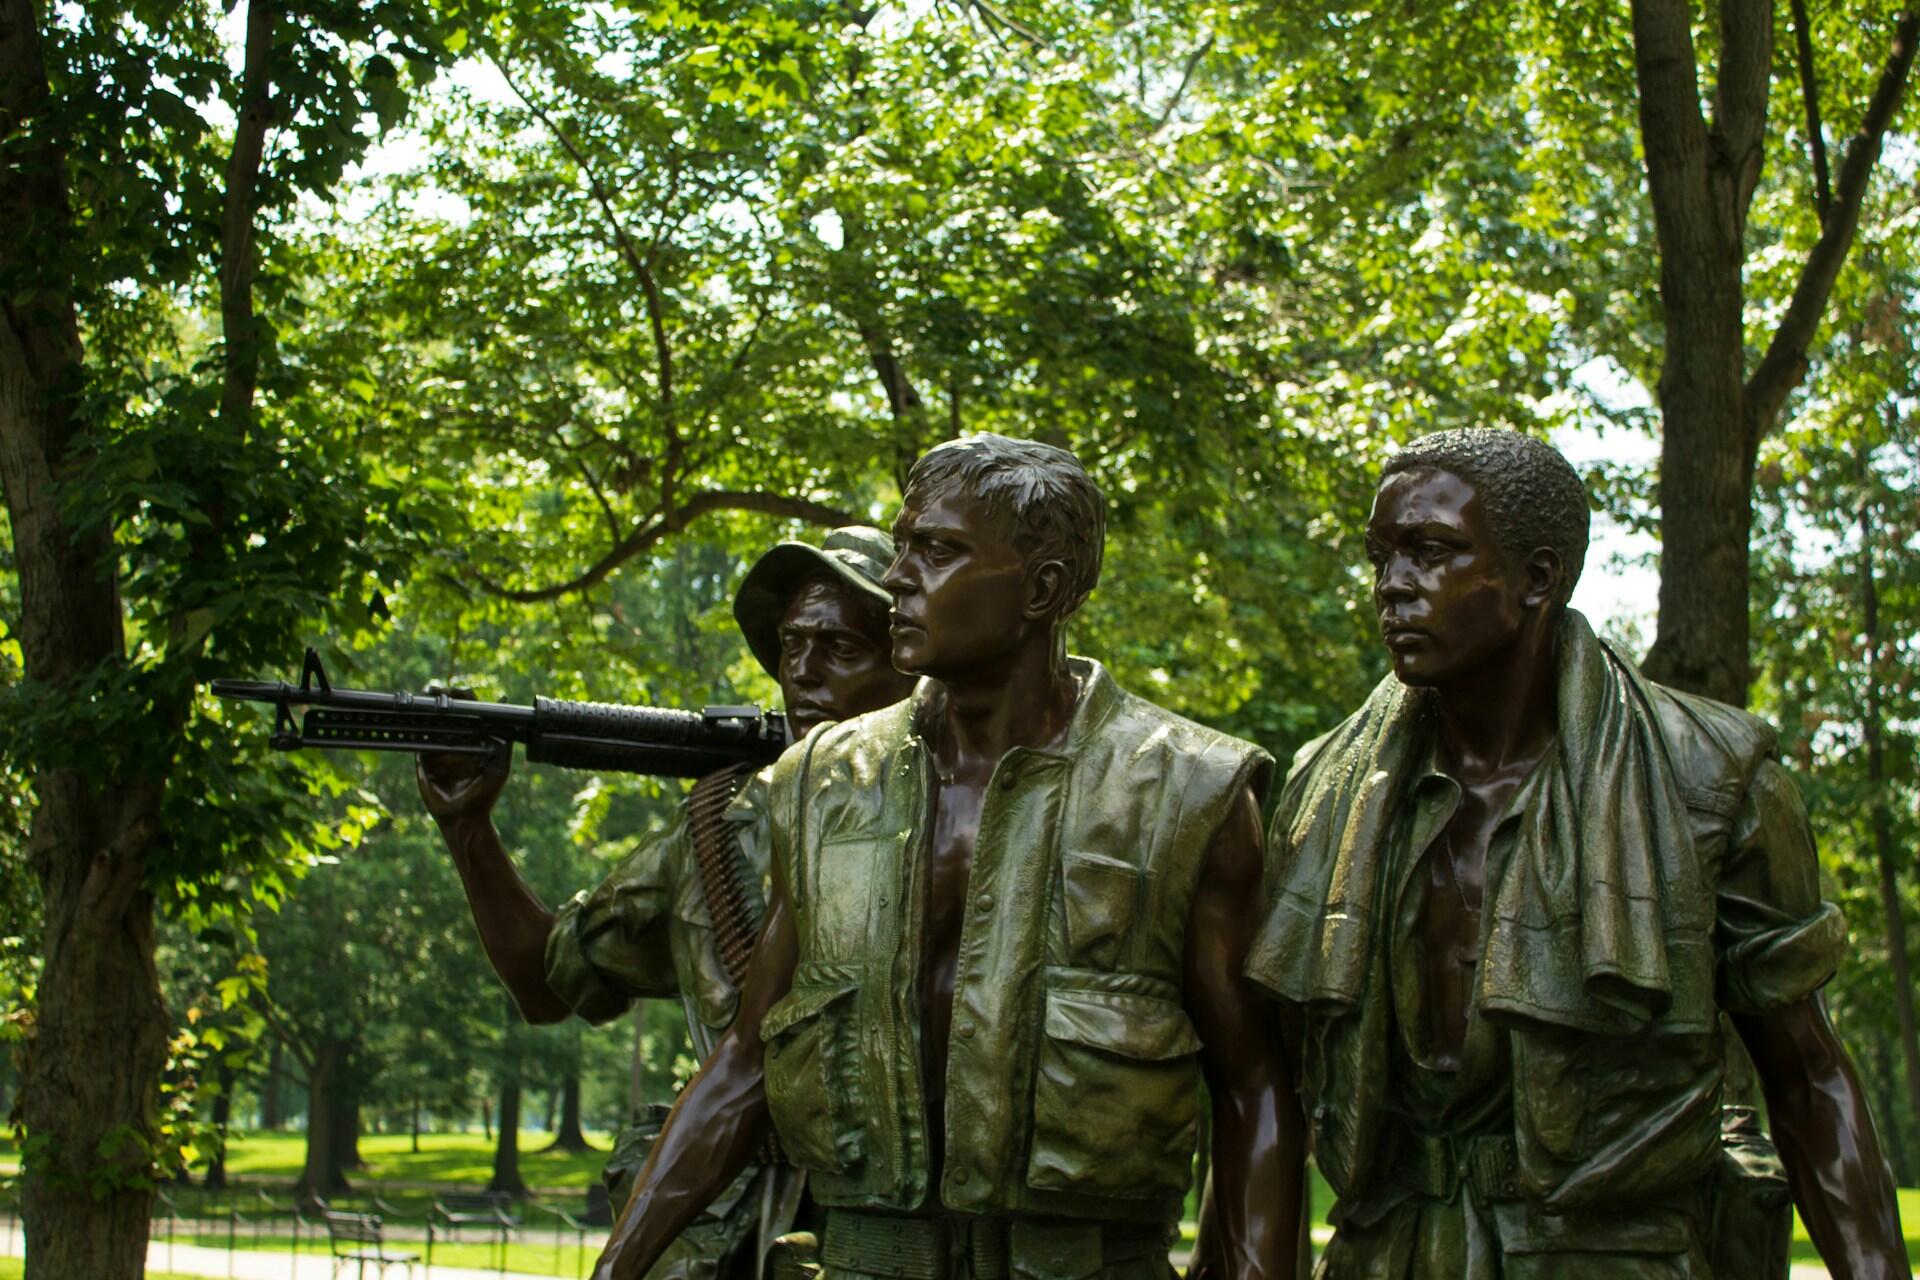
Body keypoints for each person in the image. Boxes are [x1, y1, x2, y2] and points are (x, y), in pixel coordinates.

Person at [591, 433, 1303, 1280]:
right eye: (903, 546)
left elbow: (1255, 1088)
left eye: (938, 551)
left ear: (1043, 589)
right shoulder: (821, 782)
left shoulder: (1191, 794)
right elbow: (745, 1061)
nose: (898, 578)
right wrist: (617, 1267)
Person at [1245, 429, 1906, 1279]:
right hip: (1389, 1252)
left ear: (1539, 577)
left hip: (1611, 1255)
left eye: (1431, 552)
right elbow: (1269, 1076)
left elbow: (1809, 1076)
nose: (1393, 587)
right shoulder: (1325, 789)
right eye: (1382, 557)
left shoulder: (1714, 780)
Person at [417, 526, 916, 1280]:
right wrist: (468, 830)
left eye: (842, 650)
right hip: (718, 1242)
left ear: (915, 668)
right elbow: (548, 980)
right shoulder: (720, 825)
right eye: (791, 648)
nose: (803, 676)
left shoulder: (966, 823)